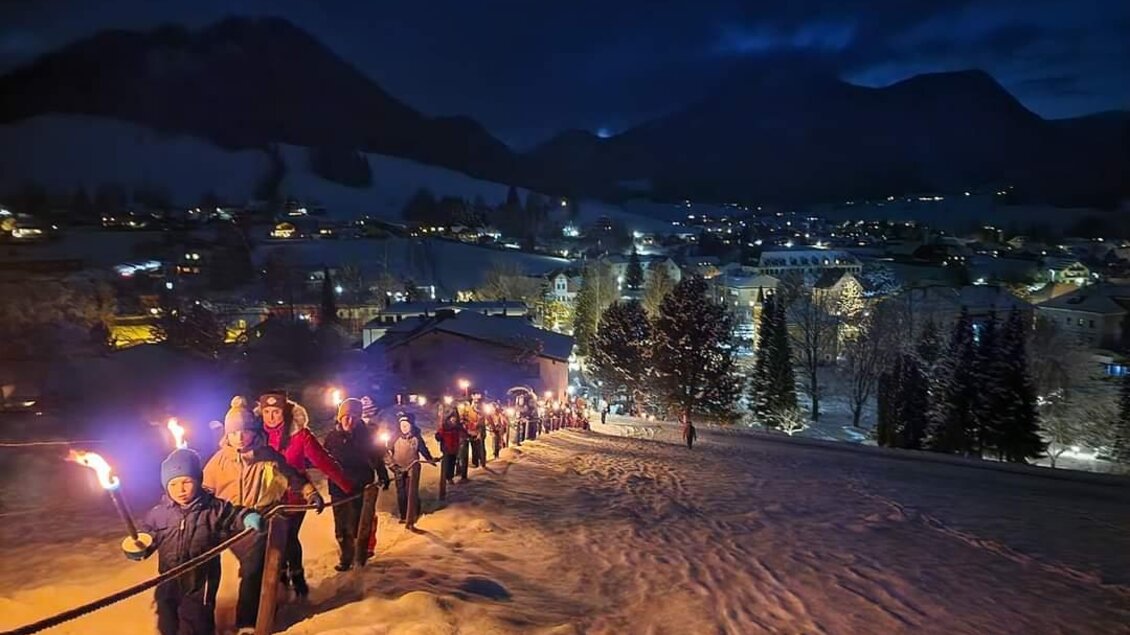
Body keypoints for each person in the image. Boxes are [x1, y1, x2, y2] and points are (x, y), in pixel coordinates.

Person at [203, 397, 323, 634]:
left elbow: (291, 475)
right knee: (233, 567)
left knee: (253, 568)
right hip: (230, 523)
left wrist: (310, 492)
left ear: (253, 432)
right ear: (227, 434)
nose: (240, 437)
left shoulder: (267, 456)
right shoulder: (218, 462)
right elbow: (205, 490)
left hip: (261, 519)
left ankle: (248, 621)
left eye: (245, 431)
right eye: (235, 432)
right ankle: (205, 619)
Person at [127, 447, 264, 635]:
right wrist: (138, 547)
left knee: (198, 621)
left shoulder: (213, 509)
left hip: (201, 581)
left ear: (198, 481)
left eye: (186, 482)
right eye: (173, 485)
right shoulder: (158, 514)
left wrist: (247, 516)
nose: (180, 490)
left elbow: (234, 514)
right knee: (166, 620)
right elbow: (148, 535)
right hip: (168, 579)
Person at [257, 390, 352, 597]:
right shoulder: (256, 436)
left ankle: (297, 579)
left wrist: (346, 485)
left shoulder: (299, 435)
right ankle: (278, 582)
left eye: (276, 412)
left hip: (296, 495)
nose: (271, 417)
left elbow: (323, 461)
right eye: (267, 412)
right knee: (270, 540)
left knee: (289, 536)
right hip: (266, 497)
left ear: (285, 412)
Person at [323, 398, 389, 571]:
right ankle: (345, 558)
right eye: (346, 416)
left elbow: (377, 457)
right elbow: (323, 459)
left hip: (360, 486)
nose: (350, 421)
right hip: (338, 488)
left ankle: (360, 555)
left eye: (354, 416)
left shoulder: (367, 436)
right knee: (341, 526)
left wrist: (383, 475)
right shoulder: (332, 437)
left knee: (358, 523)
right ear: (339, 417)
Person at [387, 413, 436, 530]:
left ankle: (414, 511)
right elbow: (388, 451)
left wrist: (429, 459)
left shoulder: (416, 438)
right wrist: (392, 464)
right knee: (401, 492)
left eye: (406, 425)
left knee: (411, 490)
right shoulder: (394, 437)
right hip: (399, 468)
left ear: (411, 425)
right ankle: (404, 514)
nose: (404, 427)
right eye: (402, 425)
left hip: (413, 468)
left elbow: (423, 449)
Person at [434, 412, 464, 484]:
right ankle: (446, 478)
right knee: (447, 463)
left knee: (452, 463)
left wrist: (469, 436)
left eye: (455, 418)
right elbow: (439, 435)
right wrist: (438, 436)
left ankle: (450, 477)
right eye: (452, 418)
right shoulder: (445, 427)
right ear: (449, 419)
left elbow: (463, 433)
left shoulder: (458, 427)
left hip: (454, 448)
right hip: (446, 448)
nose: (454, 419)